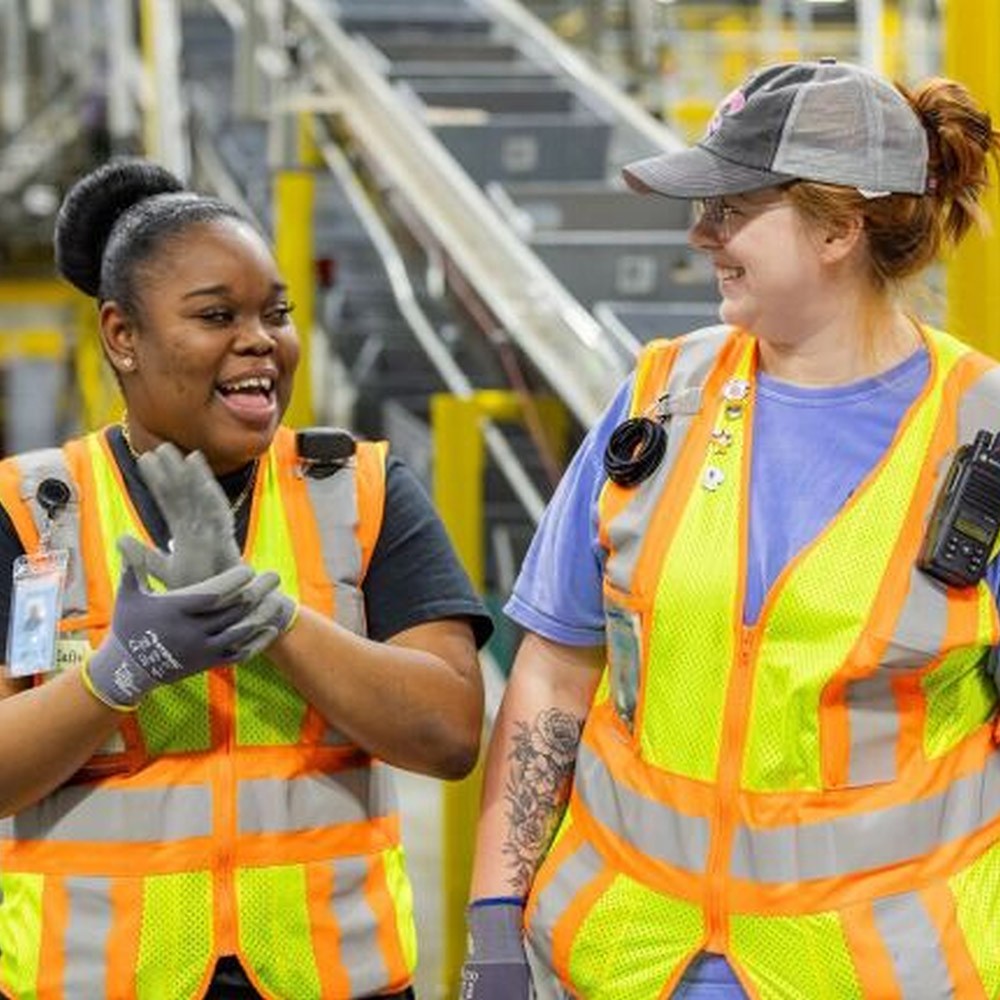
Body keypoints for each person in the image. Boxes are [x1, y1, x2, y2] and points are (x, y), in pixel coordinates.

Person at [460, 58, 1000, 999]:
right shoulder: (662, 396)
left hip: (877, 974)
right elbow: (554, 665)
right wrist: (494, 924)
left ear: (838, 228)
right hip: (627, 961)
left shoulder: (979, 439)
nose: (700, 233)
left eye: (732, 207)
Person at [0, 158, 493, 1000]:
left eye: (277, 313)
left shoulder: (361, 490)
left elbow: (448, 735)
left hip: (332, 978)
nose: (260, 339)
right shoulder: (30, 510)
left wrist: (270, 616)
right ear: (123, 336)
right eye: (216, 316)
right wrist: (119, 674)